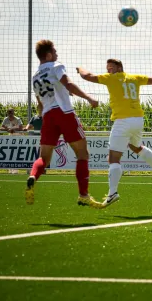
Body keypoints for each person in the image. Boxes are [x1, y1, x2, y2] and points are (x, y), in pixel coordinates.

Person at [77, 59, 152, 207]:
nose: (109, 71)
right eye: (107, 68)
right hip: (138, 120)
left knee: (113, 158)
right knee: (136, 147)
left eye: (111, 68)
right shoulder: (135, 78)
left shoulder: (111, 79)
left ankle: (112, 192)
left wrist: (80, 67)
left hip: (122, 121)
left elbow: (87, 76)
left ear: (119, 68)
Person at [25, 40, 102, 208]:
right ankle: (83, 195)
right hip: (64, 113)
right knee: (82, 154)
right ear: (48, 55)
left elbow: (40, 102)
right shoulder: (56, 65)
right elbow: (69, 84)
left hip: (48, 116)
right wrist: (89, 98)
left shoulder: (35, 76)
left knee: (43, 158)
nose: (57, 54)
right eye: (55, 51)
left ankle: (32, 176)